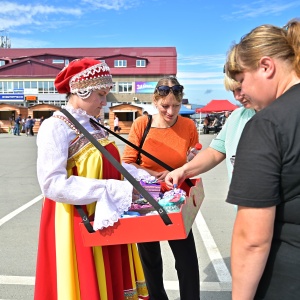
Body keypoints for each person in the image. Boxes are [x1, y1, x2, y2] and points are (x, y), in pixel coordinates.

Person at [34, 58, 148, 300]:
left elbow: (109, 164)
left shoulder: (93, 124)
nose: (105, 103)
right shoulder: (55, 127)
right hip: (76, 221)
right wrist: (110, 189)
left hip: (106, 216)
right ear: (81, 91)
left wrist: (146, 177)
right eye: (100, 94)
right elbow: (52, 184)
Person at [224, 19, 300, 299]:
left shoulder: (267, 124)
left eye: (243, 80)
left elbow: (252, 239)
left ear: (266, 67)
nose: (242, 92)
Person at [122, 76, 200, 300]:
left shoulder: (188, 125)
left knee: (186, 258)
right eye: (165, 106)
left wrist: (187, 164)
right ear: (155, 102)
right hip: (146, 197)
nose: (171, 111)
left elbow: (192, 158)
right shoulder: (141, 124)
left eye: (176, 106)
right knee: (150, 257)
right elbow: (128, 162)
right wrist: (155, 174)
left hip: (177, 197)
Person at [165, 75, 255, 189]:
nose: (237, 97)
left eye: (241, 88)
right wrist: (184, 171)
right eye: (233, 91)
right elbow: (215, 152)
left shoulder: (280, 116)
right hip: (242, 203)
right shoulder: (237, 116)